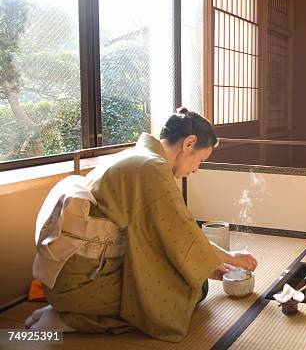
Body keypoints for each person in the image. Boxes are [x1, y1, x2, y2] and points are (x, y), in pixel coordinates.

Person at [26, 108, 258, 342]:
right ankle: (70, 319)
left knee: (192, 278)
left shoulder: (137, 157)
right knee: (188, 292)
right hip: (82, 283)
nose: (196, 169)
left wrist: (209, 264)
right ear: (189, 143)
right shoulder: (151, 168)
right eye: (200, 160)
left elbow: (162, 236)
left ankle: (65, 308)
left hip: (65, 278)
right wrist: (231, 258)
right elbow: (181, 233)